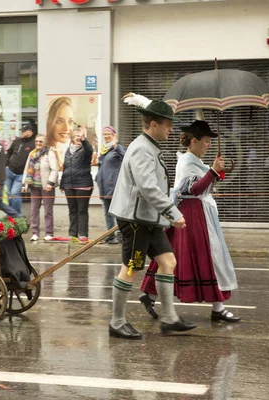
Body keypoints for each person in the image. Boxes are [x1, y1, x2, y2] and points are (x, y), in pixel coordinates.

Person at [107, 93, 196, 340]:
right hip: (135, 222)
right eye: (168, 126)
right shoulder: (141, 150)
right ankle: (116, 322)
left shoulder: (148, 145)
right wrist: (172, 212)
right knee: (132, 267)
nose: (171, 130)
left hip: (147, 220)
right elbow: (148, 187)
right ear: (154, 125)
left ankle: (169, 319)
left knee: (168, 262)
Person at [139, 117, 240, 323]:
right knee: (206, 256)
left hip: (198, 213)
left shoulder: (196, 161)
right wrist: (212, 171)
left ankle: (150, 294)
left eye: (210, 141)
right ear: (194, 140)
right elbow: (193, 189)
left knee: (175, 256)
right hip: (192, 215)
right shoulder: (187, 161)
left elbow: (205, 184)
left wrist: (216, 171)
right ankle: (217, 307)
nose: (209, 144)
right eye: (206, 140)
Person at [22, 134, 59, 241]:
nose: (38, 143)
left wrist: (50, 183)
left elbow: (54, 169)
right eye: (36, 141)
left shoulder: (49, 153)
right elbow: (26, 169)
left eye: (40, 142)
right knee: (34, 210)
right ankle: (35, 233)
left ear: (45, 143)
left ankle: (48, 233)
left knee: (48, 211)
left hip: (46, 187)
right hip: (34, 186)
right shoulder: (32, 153)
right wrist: (25, 184)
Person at [60, 126, 93, 240]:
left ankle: (83, 234)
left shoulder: (85, 149)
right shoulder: (68, 150)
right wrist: (62, 184)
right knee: (72, 210)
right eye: (76, 136)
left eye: (80, 136)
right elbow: (66, 167)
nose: (78, 138)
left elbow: (89, 150)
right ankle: (72, 234)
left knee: (82, 210)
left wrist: (84, 140)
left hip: (83, 184)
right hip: (69, 184)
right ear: (72, 138)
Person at [95, 126, 125, 244]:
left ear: (114, 135)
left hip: (114, 185)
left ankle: (122, 234)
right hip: (103, 185)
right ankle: (110, 235)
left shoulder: (117, 148)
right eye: (105, 134)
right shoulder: (103, 150)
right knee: (107, 212)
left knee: (117, 212)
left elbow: (125, 157)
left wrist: (116, 147)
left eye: (109, 134)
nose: (107, 136)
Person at [6, 122, 36, 215]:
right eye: (22, 131)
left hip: (21, 174)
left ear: (30, 132)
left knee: (15, 194)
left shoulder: (34, 143)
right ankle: (9, 216)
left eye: (24, 131)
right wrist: (6, 165)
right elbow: (9, 153)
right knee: (8, 194)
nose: (22, 132)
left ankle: (16, 217)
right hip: (10, 171)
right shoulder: (17, 141)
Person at [45, 97, 74, 169]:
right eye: (59, 121)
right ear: (50, 123)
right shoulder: (45, 152)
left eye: (70, 121)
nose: (67, 128)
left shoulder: (73, 147)